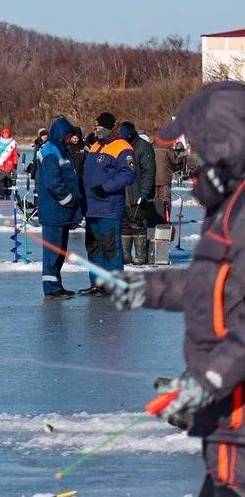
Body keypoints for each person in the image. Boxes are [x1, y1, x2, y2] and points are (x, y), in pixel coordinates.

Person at [103, 81, 245, 497]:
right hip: (227, 427)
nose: (191, 165)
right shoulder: (229, 209)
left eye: (196, 153)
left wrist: (207, 379)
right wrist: (146, 288)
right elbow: (216, 285)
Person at [78, 112, 135, 296]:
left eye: (99, 126)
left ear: (108, 127)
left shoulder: (122, 147)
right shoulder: (95, 146)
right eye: (95, 126)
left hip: (109, 206)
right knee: (94, 247)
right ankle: (97, 283)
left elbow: (128, 174)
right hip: (91, 207)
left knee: (110, 247)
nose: (96, 129)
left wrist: (106, 187)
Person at [35, 117, 82, 300]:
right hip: (55, 211)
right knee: (53, 251)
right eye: (68, 136)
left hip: (61, 212)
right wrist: (68, 200)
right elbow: (53, 183)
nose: (70, 139)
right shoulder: (50, 152)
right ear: (60, 135)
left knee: (59, 250)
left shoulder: (61, 150)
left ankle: (56, 284)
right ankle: (51, 288)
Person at [118, 121, 157, 265]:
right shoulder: (121, 146)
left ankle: (140, 256)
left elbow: (149, 172)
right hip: (122, 192)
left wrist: (145, 192)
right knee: (124, 224)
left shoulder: (143, 147)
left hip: (137, 192)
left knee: (138, 223)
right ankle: (126, 256)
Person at [0, 127, 19, 199]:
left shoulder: (12, 143)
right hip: (2, 165)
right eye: (4, 134)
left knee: (9, 181)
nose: (6, 135)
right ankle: (2, 195)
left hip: (10, 166)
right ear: (2, 134)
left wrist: (15, 164)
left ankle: (7, 195)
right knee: (1, 181)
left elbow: (15, 154)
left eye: (7, 134)